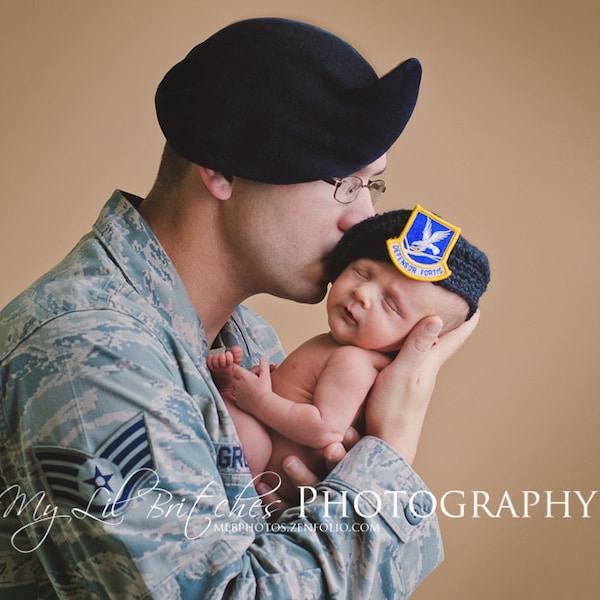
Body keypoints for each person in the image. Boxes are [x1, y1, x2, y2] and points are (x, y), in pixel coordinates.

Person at [0, 17, 480, 599]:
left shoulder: (247, 342)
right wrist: (388, 452)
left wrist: (318, 510)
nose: (359, 219)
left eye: (370, 186)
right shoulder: (93, 355)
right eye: (342, 183)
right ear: (221, 167)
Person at [208, 207, 490, 502]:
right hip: (267, 451)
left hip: (264, 469)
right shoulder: (341, 348)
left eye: (391, 305)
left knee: (246, 436)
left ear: (418, 337)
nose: (363, 293)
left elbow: (323, 430)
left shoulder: (354, 363)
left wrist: (260, 400)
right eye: (363, 273)